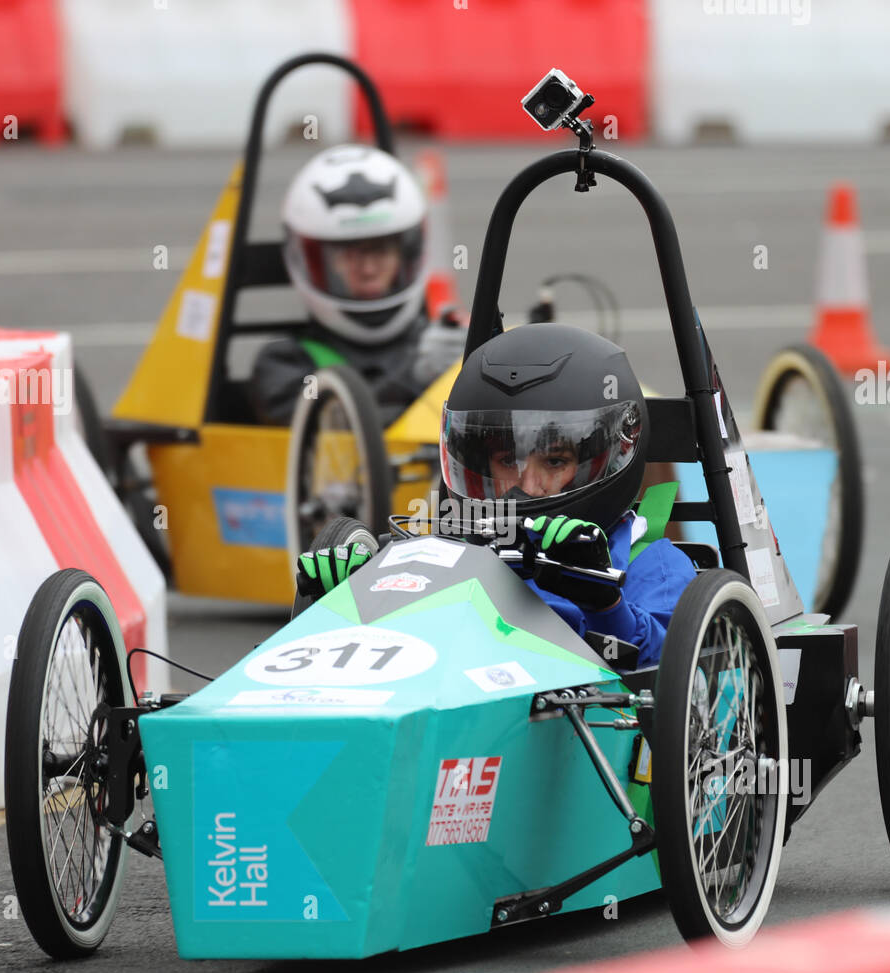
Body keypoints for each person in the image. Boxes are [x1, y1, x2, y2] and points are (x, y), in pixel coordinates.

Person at [297, 323, 696, 668]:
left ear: (603, 460)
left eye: (554, 462)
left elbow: (666, 672)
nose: (527, 484)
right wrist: (351, 592)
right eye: (508, 460)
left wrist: (604, 604)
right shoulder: (448, 547)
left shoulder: (653, 562)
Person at [245, 143, 464, 428]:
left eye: (381, 250)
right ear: (309, 260)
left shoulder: (443, 346)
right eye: (349, 254)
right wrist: (416, 378)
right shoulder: (284, 364)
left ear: (407, 252)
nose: (369, 269)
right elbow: (322, 431)